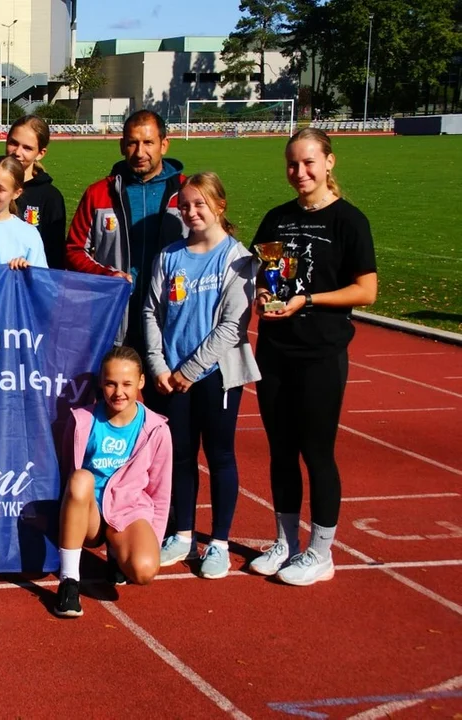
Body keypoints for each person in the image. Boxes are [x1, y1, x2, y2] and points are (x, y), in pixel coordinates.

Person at [249, 128, 377, 586]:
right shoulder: (277, 218)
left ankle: (321, 552)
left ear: (328, 163)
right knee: (281, 451)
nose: (299, 172)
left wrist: (310, 300)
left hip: (320, 352)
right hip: (275, 350)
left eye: (308, 163)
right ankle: (286, 542)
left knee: (316, 452)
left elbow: (366, 290)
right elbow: (264, 272)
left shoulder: (349, 221)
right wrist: (263, 294)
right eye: (292, 164)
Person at [142, 172, 260, 579]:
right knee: (180, 455)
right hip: (170, 375)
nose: (191, 212)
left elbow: (232, 325)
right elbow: (151, 311)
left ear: (219, 207)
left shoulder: (238, 258)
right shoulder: (170, 255)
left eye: (200, 204)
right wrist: (158, 364)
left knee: (220, 454)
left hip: (214, 376)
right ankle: (183, 534)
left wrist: (191, 370)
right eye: (185, 206)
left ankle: (220, 543)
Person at [53, 347, 172, 618]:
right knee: (80, 478)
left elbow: (160, 491)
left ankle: (117, 553)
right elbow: (67, 468)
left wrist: (151, 540)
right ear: (101, 383)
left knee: (144, 570)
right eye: (111, 383)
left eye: (127, 384)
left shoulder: (157, 429)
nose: (119, 392)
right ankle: (69, 581)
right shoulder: (82, 420)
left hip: (128, 513)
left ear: (141, 382)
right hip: (90, 515)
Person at [66, 110, 187, 360]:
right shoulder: (99, 193)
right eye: (132, 143)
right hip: (115, 316)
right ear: (122, 145)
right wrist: (108, 275)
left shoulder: (187, 192)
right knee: (113, 384)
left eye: (148, 142)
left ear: (164, 144)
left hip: (171, 315)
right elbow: (74, 249)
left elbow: (211, 247)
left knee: (165, 383)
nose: (140, 152)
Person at [6, 115, 67, 269]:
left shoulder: (50, 197)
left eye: (27, 148)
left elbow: (54, 254)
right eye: (13, 143)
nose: (17, 152)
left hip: (32, 279)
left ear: (41, 153)